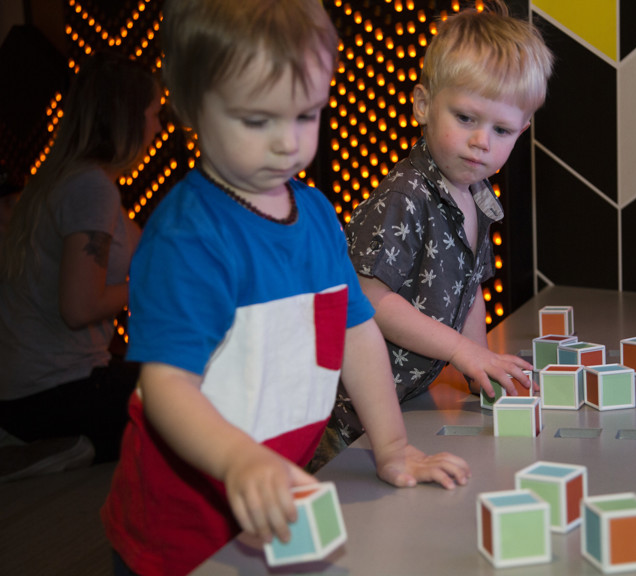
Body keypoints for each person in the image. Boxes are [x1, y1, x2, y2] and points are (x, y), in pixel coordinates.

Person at [101, 1, 470, 574]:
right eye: (257, 120)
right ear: (189, 105)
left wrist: (392, 448)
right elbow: (168, 387)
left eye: (306, 116)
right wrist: (240, 462)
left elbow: (358, 333)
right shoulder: (187, 237)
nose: (287, 143)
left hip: (280, 506)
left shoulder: (317, 214)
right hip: (184, 528)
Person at [317, 0, 554, 462]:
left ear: (522, 131)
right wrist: (465, 353)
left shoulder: (477, 194)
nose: (481, 141)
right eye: (465, 118)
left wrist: (482, 365)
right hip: (344, 421)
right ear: (424, 104)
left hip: (404, 409)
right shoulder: (406, 196)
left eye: (501, 129)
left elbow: (470, 292)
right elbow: (367, 299)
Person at [0, 51, 161, 470]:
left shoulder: (67, 178)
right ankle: (54, 443)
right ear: (127, 119)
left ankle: (57, 443)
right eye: (153, 114)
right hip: (54, 393)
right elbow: (80, 307)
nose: (158, 129)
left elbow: (157, 253)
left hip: (28, 390)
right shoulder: (91, 189)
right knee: (199, 398)